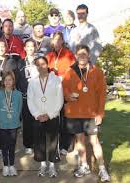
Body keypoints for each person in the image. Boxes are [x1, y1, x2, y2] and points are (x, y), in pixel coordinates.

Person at [62, 45, 110, 182]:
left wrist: (100, 113)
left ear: (89, 56)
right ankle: (84, 166)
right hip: (74, 113)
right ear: (76, 56)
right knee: (80, 142)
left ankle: (102, 168)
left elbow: (102, 95)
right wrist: (68, 96)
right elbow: (64, 89)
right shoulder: (70, 71)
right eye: (79, 54)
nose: (82, 56)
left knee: (94, 141)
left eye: (84, 53)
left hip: (91, 114)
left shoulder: (97, 72)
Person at [27, 56, 63, 178]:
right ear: (36, 67)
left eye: (43, 64)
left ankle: (52, 166)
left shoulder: (56, 80)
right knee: (39, 142)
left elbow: (60, 100)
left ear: (47, 65)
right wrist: (37, 115)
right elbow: (30, 100)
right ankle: (42, 165)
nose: (40, 66)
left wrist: (50, 115)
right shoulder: (32, 82)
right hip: (38, 117)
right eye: (38, 65)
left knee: (53, 142)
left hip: (52, 116)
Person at [46, 31, 75, 154]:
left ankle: (66, 146)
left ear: (62, 41)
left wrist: (63, 76)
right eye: (54, 40)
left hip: (66, 91)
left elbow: (73, 71)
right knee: (54, 119)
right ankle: (54, 145)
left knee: (66, 119)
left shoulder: (69, 55)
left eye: (59, 40)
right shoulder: (49, 56)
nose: (56, 42)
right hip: (53, 93)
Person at [0, 39, 18, 156]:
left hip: (7, 95)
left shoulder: (10, 62)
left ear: (6, 48)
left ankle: (9, 146)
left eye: (3, 46)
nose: (1, 48)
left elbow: (12, 78)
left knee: (8, 121)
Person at [0, 71, 22, 177]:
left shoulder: (18, 94)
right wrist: (2, 120)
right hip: (2, 124)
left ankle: (11, 165)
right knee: (4, 146)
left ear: (13, 81)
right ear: (3, 81)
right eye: (6, 80)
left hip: (13, 124)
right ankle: (5, 166)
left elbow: (19, 109)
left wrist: (15, 119)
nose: (7, 82)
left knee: (12, 145)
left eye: (10, 80)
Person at [15, 39, 39, 155]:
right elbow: (18, 79)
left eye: (32, 46)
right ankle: (28, 144)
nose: (30, 49)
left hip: (38, 96)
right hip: (25, 96)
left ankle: (37, 143)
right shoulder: (20, 62)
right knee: (27, 121)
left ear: (36, 48)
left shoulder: (40, 62)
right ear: (24, 48)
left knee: (37, 120)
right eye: (28, 46)